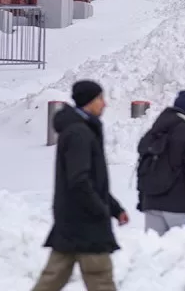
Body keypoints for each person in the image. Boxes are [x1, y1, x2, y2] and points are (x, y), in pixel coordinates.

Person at [31, 80, 127, 291]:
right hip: (86, 223)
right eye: (100, 99)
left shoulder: (81, 130)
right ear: (89, 101)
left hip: (72, 220)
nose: (105, 104)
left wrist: (114, 208)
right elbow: (79, 181)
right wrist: (100, 210)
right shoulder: (79, 133)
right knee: (100, 277)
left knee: (53, 277)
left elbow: (93, 181)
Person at [136, 91, 185, 236]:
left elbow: (143, 166)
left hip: (151, 203)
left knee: (154, 253)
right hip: (180, 206)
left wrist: (142, 199)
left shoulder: (154, 132)